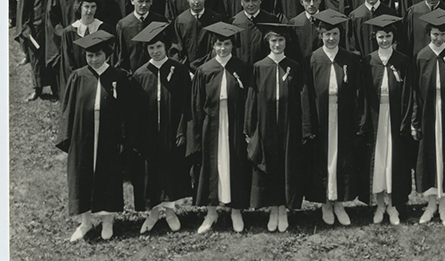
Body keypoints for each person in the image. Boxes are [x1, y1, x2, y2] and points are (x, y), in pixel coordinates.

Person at [56, 30, 133, 241]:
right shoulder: (79, 76)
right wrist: (67, 137)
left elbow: (125, 111)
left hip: (109, 135)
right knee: (83, 177)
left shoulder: (118, 76)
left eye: (97, 55)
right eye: (89, 56)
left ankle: (108, 221)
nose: (93, 59)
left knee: (108, 176)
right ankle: (86, 222)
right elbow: (68, 108)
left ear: (106, 54)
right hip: (83, 135)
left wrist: (123, 138)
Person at [245, 24, 311, 233]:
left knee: (286, 167)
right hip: (266, 127)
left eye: (281, 40)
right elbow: (252, 99)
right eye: (273, 41)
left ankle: (283, 209)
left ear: (286, 43)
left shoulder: (293, 66)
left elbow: (302, 98)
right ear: (268, 42)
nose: (277, 44)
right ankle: (273, 209)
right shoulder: (259, 67)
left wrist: (305, 127)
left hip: (288, 126)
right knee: (269, 167)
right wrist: (249, 127)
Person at [303, 10, 365, 226]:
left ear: (340, 35)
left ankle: (339, 203)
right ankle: (325, 204)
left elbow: (358, 92)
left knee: (342, 159)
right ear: (321, 35)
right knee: (323, 160)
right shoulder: (312, 59)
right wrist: (308, 124)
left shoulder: (349, 59)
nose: (331, 38)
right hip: (321, 119)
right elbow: (307, 94)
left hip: (342, 118)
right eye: (327, 34)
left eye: (335, 34)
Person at [190, 22, 252, 234]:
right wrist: (197, 134)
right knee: (211, 168)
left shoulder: (242, 68)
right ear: (213, 46)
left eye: (226, 44)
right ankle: (211, 212)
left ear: (232, 46)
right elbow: (197, 105)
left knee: (235, 164)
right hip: (212, 127)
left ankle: (236, 210)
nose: (223, 48)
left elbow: (249, 99)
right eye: (219, 44)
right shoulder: (204, 70)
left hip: (235, 125)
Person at [130, 21, 192, 234]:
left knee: (171, 170)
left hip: (171, 131)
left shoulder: (178, 70)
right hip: (148, 133)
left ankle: (171, 210)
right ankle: (154, 211)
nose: (155, 52)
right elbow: (135, 110)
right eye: (151, 48)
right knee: (150, 172)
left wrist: (182, 129)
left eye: (158, 47)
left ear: (166, 48)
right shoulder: (140, 74)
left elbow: (186, 103)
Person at [411, 9, 445, 225]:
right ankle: (431, 202)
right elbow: (415, 92)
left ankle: (444, 204)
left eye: (442, 34)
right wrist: (415, 122)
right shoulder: (422, 56)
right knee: (429, 158)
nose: (438, 38)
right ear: (428, 34)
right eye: (435, 34)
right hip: (427, 115)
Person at [360, 14, 411, 224]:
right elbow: (363, 93)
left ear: (393, 37)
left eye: (388, 36)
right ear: (375, 37)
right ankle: (379, 204)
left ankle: (393, 205)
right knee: (378, 160)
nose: (384, 40)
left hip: (394, 117)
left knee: (394, 161)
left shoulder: (402, 61)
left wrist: (406, 121)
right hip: (375, 119)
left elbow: (408, 93)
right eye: (381, 36)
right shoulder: (368, 61)